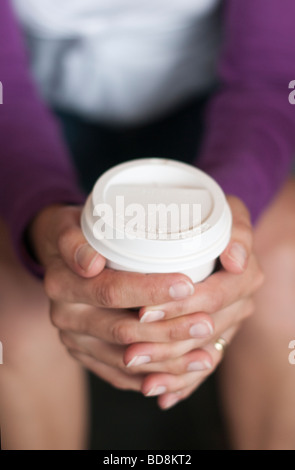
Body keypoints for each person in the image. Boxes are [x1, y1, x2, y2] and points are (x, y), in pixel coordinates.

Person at [0, 0, 294, 450]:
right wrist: (41, 224)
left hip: (214, 108)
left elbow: (271, 77)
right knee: (12, 312)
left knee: (286, 275)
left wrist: (231, 217)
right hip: (36, 111)